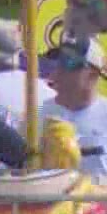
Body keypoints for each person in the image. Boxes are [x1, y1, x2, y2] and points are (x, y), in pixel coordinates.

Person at [41, 36, 107, 181]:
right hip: (50, 201)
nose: (58, 71)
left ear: (93, 74)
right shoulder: (39, 114)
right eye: (58, 63)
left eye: (69, 63)